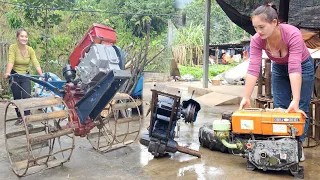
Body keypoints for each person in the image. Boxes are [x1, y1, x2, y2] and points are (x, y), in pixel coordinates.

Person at [239, 3, 314, 161]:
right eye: (255, 28)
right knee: (280, 107)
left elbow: (294, 68)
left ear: (274, 23)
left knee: (300, 108)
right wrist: (245, 97)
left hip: (303, 65)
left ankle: (296, 146)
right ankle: (281, 143)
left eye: (262, 27)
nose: (258, 32)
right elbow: (253, 69)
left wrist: (295, 99)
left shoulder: (292, 33)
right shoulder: (257, 40)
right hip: (279, 68)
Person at [5, 28, 43, 125]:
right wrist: (8, 72)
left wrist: (41, 75)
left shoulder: (30, 49)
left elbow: (35, 62)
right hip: (15, 75)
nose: (24, 38)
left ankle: (27, 118)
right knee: (17, 98)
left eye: (26, 36)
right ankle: (20, 118)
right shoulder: (13, 47)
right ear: (17, 37)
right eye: (22, 36)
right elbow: (11, 60)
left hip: (25, 75)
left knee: (27, 97)